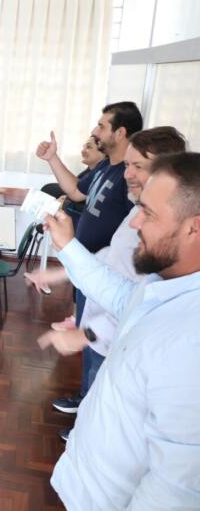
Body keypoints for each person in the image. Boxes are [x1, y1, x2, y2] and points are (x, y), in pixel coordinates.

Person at [39, 151, 200, 510]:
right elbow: (122, 296)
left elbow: (175, 491)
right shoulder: (167, 282)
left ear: (195, 227)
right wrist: (67, 246)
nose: (134, 222)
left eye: (149, 213)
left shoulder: (192, 344)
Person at [27, 126, 187, 440]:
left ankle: (87, 430)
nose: (127, 174)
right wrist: (63, 266)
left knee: (106, 404)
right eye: (127, 165)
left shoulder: (164, 241)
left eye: (138, 166)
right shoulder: (137, 212)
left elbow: (139, 304)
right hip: (98, 319)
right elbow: (110, 259)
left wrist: (86, 333)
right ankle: (84, 415)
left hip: (111, 337)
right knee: (93, 384)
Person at [36, 101, 142, 329]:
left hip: (108, 276)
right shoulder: (105, 167)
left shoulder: (129, 178)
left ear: (120, 133)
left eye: (102, 126)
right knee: (85, 329)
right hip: (86, 268)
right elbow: (76, 191)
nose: (95, 131)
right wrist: (52, 158)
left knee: (97, 336)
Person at [40, 136, 104, 200]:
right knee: (48, 188)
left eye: (88, 147)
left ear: (104, 152)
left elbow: (78, 194)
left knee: (49, 189)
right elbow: (77, 190)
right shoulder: (89, 171)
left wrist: (66, 202)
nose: (82, 151)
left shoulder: (101, 176)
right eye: (83, 147)